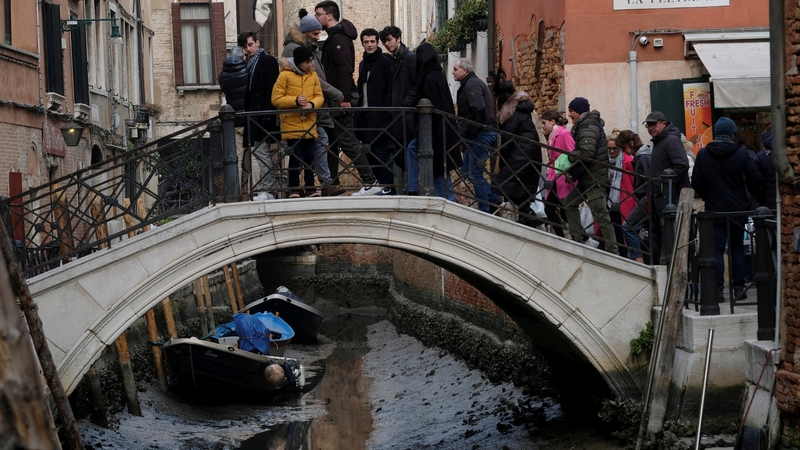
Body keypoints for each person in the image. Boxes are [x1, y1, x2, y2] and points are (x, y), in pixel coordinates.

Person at [692, 117, 765, 301]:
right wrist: (748, 197)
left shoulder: (703, 154)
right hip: (737, 209)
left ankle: (717, 290)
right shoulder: (741, 154)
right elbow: (755, 179)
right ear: (732, 134)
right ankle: (738, 288)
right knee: (737, 249)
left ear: (716, 133)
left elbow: (696, 182)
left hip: (715, 209)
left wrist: (709, 195)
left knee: (716, 250)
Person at [315, 0, 381, 195]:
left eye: (318, 13)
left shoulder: (338, 40)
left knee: (347, 141)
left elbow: (345, 70)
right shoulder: (335, 37)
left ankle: (371, 182)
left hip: (339, 98)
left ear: (329, 16)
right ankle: (332, 184)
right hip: (334, 97)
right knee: (333, 143)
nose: (316, 17)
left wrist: (342, 97)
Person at [281, 9, 344, 197]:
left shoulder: (308, 49)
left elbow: (315, 84)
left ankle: (317, 185)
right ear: (305, 33)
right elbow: (285, 91)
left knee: (314, 146)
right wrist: (336, 94)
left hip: (313, 109)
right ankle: (303, 186)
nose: (318, 36)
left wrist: (316, 102)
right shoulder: (293, 50)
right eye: (315, 34)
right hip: (299, 113)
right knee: (299, 151)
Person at [622, 111, 689, 263]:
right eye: (648, 125)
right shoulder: (660, 141)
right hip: (660, 197)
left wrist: (664, 185)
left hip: (669, 197)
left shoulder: (670, 140)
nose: (650, 128)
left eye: (654, 124)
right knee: (658, 236)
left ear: (663, 124)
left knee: (670, 238)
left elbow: (681, 165)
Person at [561, 97, 619, 254]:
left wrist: (569, 156)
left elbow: (587, 152)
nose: (569, 114)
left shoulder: (587, 126)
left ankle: (613, 251)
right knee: (569, 203)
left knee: (601, 214)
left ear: (579, 112)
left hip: (594, 179)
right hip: (589, 177)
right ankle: (578, 238)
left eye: (571, 111)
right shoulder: (587, 125)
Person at [409, 43, 463, 199]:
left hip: (435, 132)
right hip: (441, 130)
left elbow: (432, 107)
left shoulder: (430, 78)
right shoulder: (437, 73)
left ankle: (413, 189)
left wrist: (422, 132)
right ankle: (446, 200)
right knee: (438, 169)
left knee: (433, 165)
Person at [271, 46, 324, 198]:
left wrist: (312, 104)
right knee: (295, 156)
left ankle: (310, 187)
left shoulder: (312, 76)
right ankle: (293, 188)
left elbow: (319, 96)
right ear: (299, 62)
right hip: (291, 124)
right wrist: (295, 101)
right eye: (307, 62)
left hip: (309, 122)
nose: (310, 65)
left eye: (311, 61)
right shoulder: (285, 76)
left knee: (309, 156)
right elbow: (276, 98)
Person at [452, 58, 500, 213]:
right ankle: (492, 199)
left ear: (464, 71)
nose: (452, 72)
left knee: (474, 173)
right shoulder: (469, 84)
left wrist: (469, 132)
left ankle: (485, 209)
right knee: (467, 169)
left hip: (481, 133)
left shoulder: (471, 84)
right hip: (478, 133)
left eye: (455, 69)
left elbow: (478, 109)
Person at [238, 31, 280, 201]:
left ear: (257, 43)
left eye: (250, 45)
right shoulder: (249, 64)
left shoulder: (267, 61)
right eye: (245, 47)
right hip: (255, 116)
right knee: (260, 151)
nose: (248, 49)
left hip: (264, 115)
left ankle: (269, 188)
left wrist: (267, 115)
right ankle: (269, 188)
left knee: (261, 151)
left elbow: (271, 88)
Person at [356, 28, 394, 194]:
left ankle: (389, 186)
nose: (370, 45)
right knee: (368, 150)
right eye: (366, 42)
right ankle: (379, 184)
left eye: (372, 41)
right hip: (364, 114)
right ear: (362, 43)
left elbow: (389, 89)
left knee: (380, 152)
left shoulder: (386, 62)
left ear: (377, 42)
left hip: (380, 114)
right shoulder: (363, 63)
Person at [493, 89, 541, 218]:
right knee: (520, 185)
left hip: (519, 154)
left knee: (500, 183)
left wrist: (503, 160)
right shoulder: (525, 114)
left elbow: (507, 140)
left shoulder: (512, 115)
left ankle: (527, 213)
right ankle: (526, 215)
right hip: (530, 154)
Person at [380, 25, 416, 191]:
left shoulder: (409, 58)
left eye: (389, 40)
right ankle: (407, 189)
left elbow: (417, 84)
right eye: (384, 41)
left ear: (398, 38)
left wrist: (405, 103)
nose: (386, 44)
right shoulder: (394, 59)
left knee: (407, 154)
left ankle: (412, 189)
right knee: (400, 155)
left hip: (406, 116)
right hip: (397, 117)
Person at [541, 110, 575, 237]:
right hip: (555, 176)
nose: (543, 126)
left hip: (564, 177)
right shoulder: (553, 135)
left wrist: (571, 172)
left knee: (563, 210)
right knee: (551, 208)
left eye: (544, 123)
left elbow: (572, 152)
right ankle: (562, 236)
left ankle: (581, 237)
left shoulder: (564, 133)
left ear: (552, 122)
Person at [607, 129, 636, 258]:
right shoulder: (606, 161)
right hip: (611, 199)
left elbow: (633, 180)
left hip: (624, 199)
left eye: (615, 149)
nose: (612, 151)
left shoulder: (628, 160)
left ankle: (625, 255)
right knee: (613, 227)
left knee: (621, 228)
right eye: (609, 149)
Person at [218, 46, 248, 121]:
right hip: (247, 114)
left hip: (232, 114)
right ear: (243, 57)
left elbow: (224, 90)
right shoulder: (247, 71)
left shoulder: (222, 74)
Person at [756, 129, 777, 210]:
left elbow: (754, 178)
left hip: (766, 198)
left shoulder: (760, 156)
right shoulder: (787, 154)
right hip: (786, 197)